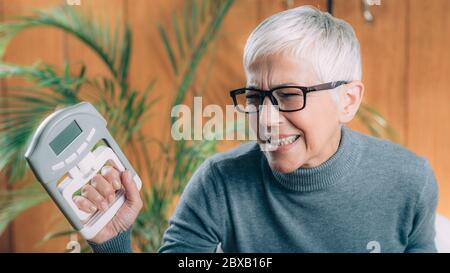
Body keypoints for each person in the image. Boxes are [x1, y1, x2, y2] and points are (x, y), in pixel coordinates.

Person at [75, 6, 438, 253]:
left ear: (348, 100)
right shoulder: (219, 182)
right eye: (255, 97)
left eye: (288, 95)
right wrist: (114, 243)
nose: (265, 119)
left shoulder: (409, 181)